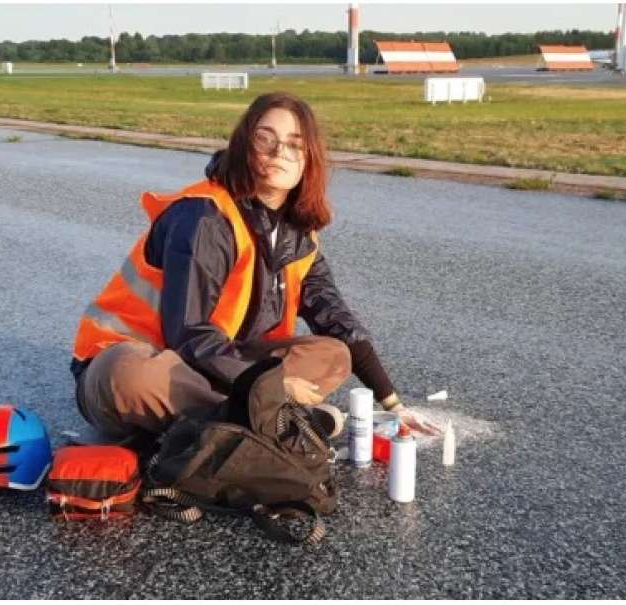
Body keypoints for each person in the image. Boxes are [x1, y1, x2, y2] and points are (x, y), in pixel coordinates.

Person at [70, 91, 440, 440]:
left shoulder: (300, 236)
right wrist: (273, 387)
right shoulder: (204, 217)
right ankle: (272, 419)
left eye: (295, 144)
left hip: (222, 367)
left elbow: (337, 320)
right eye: (266, 139)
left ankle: (244, 417)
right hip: (146, 361)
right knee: (130, 376)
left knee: (332, 355)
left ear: (308, 160)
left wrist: (393, 404)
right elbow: (189, 334)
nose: (279, 152)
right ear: (244, 146)